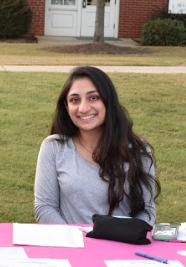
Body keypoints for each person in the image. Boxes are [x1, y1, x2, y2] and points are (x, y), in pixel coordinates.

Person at [34, 66, 158, 225]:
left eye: (93, 98)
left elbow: (146, 209)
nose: (83, 108)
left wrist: (131, 234)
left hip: (121, 244)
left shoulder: (138, 150)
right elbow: (45, 208)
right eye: (74, 100)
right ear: (66, 106)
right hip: (71, 245)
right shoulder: (54, 147)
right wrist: (75, 241)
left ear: (108, 101)